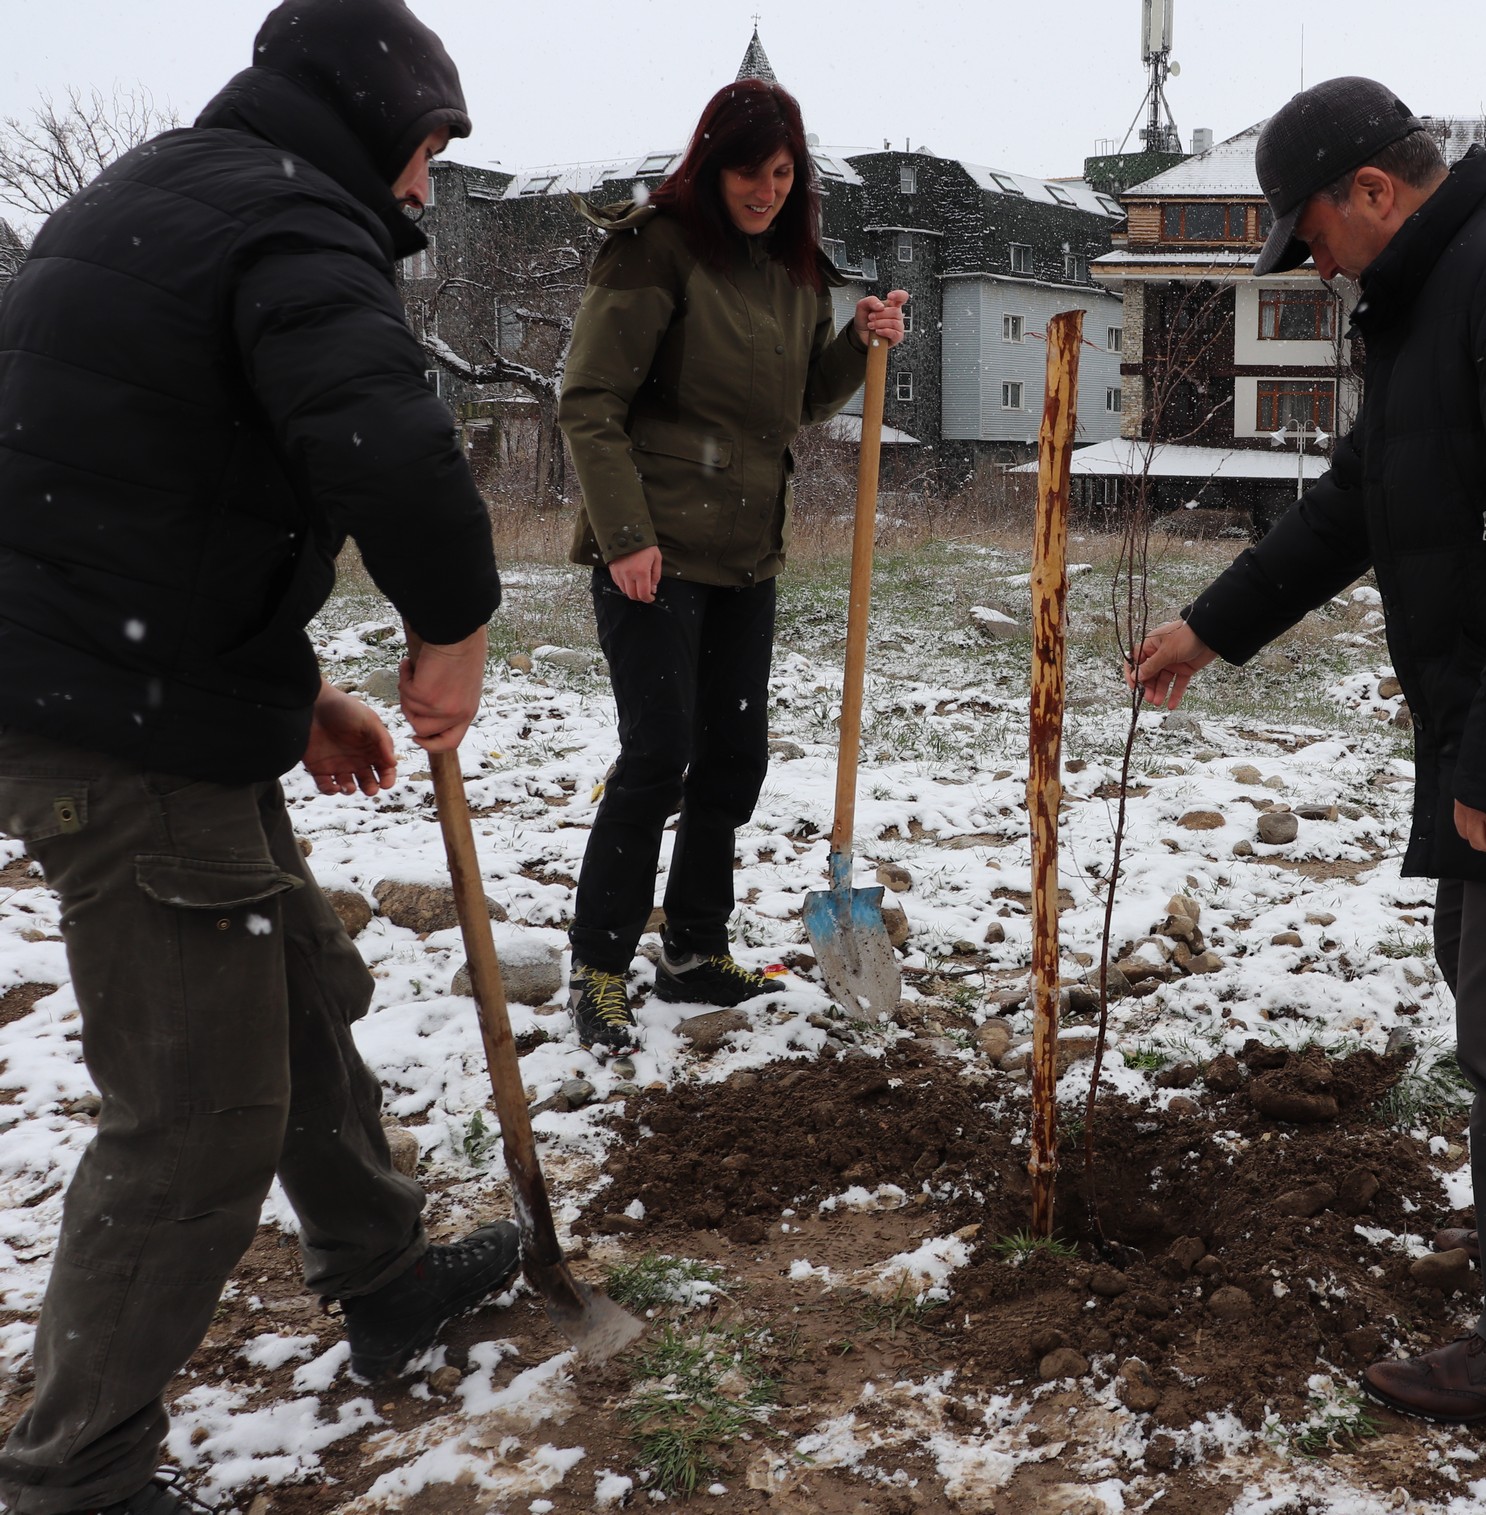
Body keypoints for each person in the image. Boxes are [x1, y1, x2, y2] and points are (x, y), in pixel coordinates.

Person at [0, 4, 524, 1511]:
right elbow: (380, 436)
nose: (424, 193)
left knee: (291, 982)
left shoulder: (154, 193)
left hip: (140, 681)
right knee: (196, 1107)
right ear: (370, 129)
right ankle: (74, 1466)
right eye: (424, 154)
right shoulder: (294, 222)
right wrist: (456, 621)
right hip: (116, 725)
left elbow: (132, 491)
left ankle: (388, 1271)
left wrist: (292, 695)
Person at [1131, 78, 1486, 1423]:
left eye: (1313, 238)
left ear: (1375, 193)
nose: (1314, 267)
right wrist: (1212, 627)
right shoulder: (1440, 294)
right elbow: (1363, 497)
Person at [556, 79, 907, 1057]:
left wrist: (857, 342)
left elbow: (795, 403)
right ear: (711, 165)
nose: (765, 190)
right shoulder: (655, 249)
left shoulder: (794, 271)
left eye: (783, 173)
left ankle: (694, 951)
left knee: (732, 758)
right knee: (657, 755)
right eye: (749, 172)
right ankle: (598, 967)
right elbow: (588, 400)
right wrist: (625, 536)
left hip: (747, 553)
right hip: (655, 551)